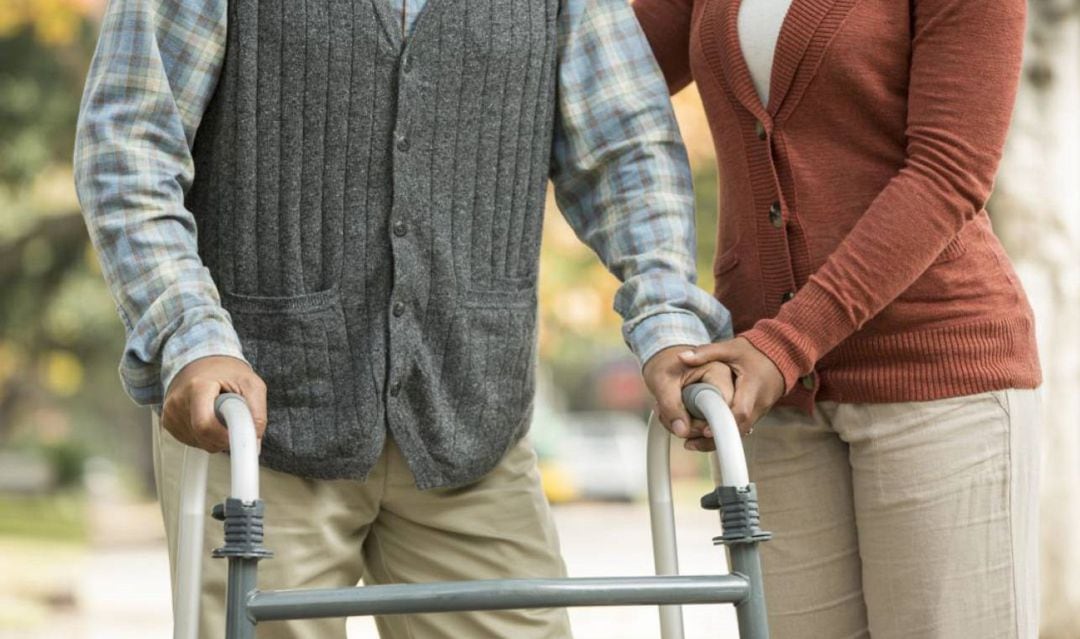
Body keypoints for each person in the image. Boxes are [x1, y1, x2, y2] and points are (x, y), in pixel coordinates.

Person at [73, 0, 732, 637]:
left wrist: (667, 318)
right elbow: (130, 144)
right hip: (255, 422)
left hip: (470, 419)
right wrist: (189, 335)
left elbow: (626, 151)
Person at [633, 0, 1043, 637]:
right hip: (770, 394)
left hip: (933, 378)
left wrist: (786, 342)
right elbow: (594, 68)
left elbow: (948, 172)